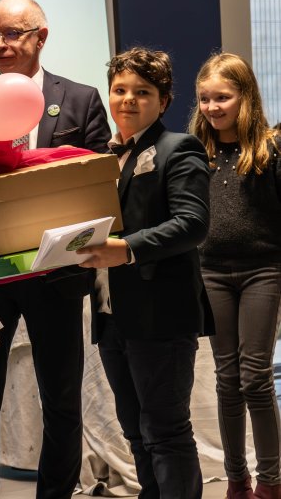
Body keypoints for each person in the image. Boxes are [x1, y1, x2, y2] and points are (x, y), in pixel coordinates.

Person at [0, 0, 112, 499]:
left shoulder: (81, 99)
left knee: (62, 401)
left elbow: (95, 183)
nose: (0, 46)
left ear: (39, 38)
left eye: (12, 34)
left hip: (57, 273)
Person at [78, 47, 212, 498]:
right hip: (112, 314)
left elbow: (192, 223)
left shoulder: (179, 148)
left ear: (164, 100)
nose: (128, 100)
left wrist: (128, 249)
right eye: (120, 90)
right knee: (134, 430)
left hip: (160, 315)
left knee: (165, 431)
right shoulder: (104, 159)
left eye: (142, 92)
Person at [189, 52, 281, 499]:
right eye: (205, 99)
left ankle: (271, 480)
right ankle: (237, 480)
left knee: (255, 378)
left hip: (263, 271)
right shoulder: (194, 151)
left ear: (245, 96)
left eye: (222, 97)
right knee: (226, 381)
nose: (212, 107)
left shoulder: (270, 149)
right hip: (211, 274)